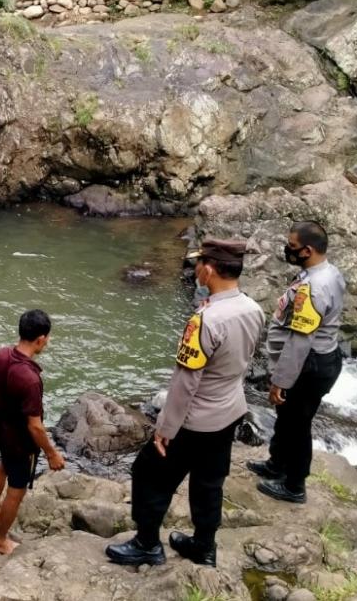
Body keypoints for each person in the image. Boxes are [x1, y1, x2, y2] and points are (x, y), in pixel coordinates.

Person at [106, 239, 264, 568]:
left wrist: (165, 428)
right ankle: (204, 546)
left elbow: (185, 382)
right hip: (230, 410)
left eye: (199, 264)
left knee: (149, 473)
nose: (195, 270)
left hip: (195, 420)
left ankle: (147, 543)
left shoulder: (205, 320)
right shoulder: (253, 308)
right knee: (209, 481)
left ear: (209, 269)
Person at [249, 221, 346, 504]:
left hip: (310, 363)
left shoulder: (314, 287)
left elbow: (300, 341)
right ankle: (276, 464)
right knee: (286, 416)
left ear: (308, 250)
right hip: (322, 357)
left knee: (298, 424)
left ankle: (294, 485)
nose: (287, 251)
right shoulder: (327, 273)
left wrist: (280, 380)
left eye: (292, 247)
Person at [0, 309, 65, 555]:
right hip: (20, 441)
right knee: (16, 490)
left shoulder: (2, 355)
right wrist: (51, 454)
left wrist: (3, 412)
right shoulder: (30, 379)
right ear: (41, 339)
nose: (46, 342)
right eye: (47, 338)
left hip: (1, 427)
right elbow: (35, 426)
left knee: (3, 465)